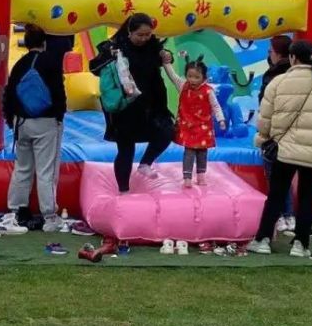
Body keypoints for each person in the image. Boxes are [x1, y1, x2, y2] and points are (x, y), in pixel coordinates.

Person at [248, 40, 312, 259]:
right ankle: (300, 244)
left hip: (285, 150)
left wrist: (263, 139)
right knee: (306, 197)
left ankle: (262, 239)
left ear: (292, 58)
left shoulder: (278, 82)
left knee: (276, 195)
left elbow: (264, 118)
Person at [90, 13, 172, 193]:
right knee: (126, 149)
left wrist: (167, 55)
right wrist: (109, 57)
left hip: (151, 104)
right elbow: (94, 68)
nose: (144, 39)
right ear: (129, 32)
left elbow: (165, 57)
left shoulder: (153, 46)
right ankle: (123, 190)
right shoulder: (115, 47)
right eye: (140, 35)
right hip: (125, 107)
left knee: (167, 131)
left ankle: (145, 163)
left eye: (147, 34)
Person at [1, 24, 68, 232]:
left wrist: (10, 118)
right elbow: (58, 92)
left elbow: (9, 93)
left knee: (22, 168)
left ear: (26, 44)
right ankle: (49, 215)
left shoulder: (20, 64)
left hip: (22, 123)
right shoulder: (51, 62)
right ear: (44, 42)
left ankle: (15, 211)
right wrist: (59, 115)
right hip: (46, 123)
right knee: (46, 171)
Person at [161, 54, 225, 188]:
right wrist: (166, 63)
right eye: (190, 76)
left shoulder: (208, 91)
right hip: (188, 126)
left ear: (204, 78)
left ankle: (201, 176)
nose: (193, 80)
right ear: (186, 76)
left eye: (197, 77)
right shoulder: (183, 86)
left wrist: (221, 120)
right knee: (189, 151)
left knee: (202, 152)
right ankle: (187, 178)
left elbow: (216, 106)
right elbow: (173, 76)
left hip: (203, 127)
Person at [260, 35, 295, 234]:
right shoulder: (294, 75)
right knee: (285, 176)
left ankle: (281, 215)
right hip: (291, 132)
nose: (268, 55)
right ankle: (288, 215)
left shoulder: (274, 76)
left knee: (275, 175)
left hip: (275, 132)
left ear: (278, 53)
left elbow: (266, 107)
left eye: (270, 52)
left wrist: (263, 133)